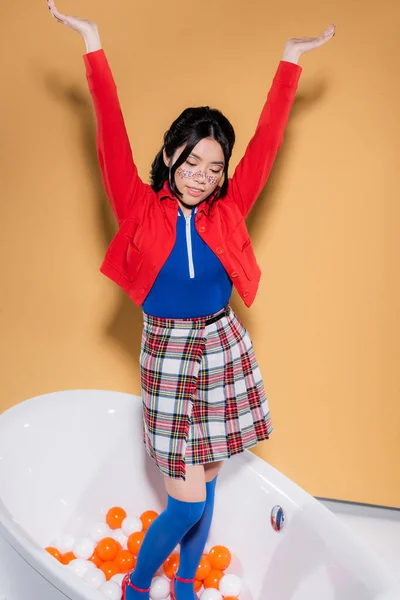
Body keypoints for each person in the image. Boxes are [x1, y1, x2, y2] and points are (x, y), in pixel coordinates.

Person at [47, 3, 335, 598]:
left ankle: (183, 585)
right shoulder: (138, 207)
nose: (203, 174)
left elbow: (268, 143)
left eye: (216, 166)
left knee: (204, 486)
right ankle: (136, 583)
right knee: (185, 501)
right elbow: (110, 129)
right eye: (193, 160)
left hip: (222, 342)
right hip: (169, 353)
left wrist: (290, 61)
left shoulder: (228, 210)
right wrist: (92, 43)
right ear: (173, 155)